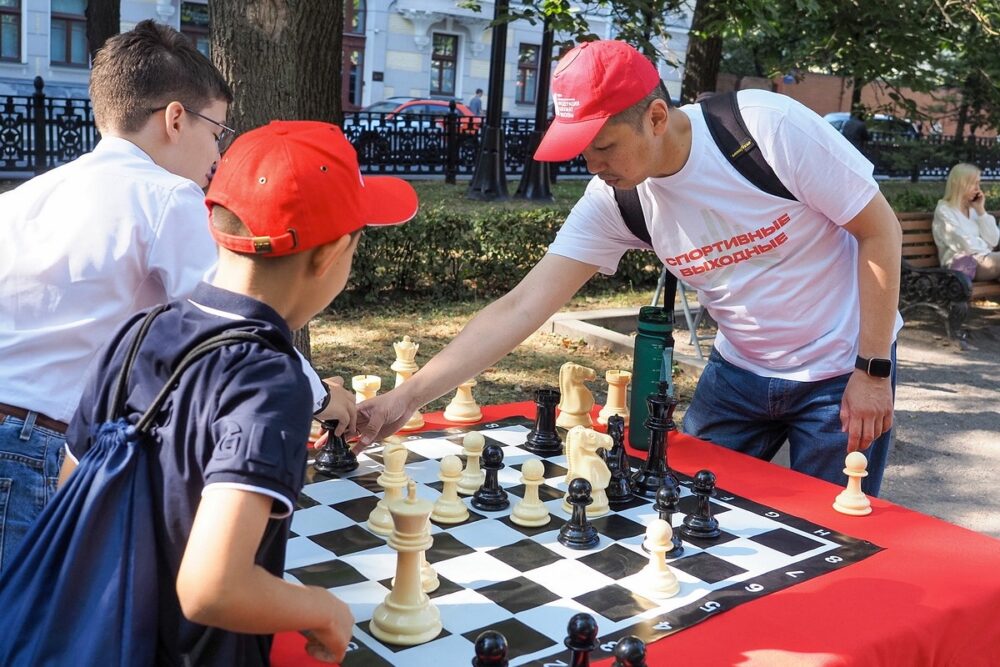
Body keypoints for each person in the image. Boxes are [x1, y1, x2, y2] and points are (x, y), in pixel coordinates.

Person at [358, 39, 902, 496]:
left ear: (657, 118)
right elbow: (522, 306)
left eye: (604, 147)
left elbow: (879, 231)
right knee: (683, 512)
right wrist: (406, 397)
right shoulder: (615, 198)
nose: (592, 166)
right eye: (582, 152)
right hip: (738, 373)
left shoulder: (766, 128)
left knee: (836, 539)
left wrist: (872, 371)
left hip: (841, 370)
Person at [56, 121, 418, 664]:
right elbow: (212, 589)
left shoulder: (138, 332)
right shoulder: (272, 382)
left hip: (101, 635)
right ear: (331, 254)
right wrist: (324, 609)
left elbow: (73, 499)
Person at [0, 20, 233, 571]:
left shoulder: (25, 196)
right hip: (38, 449)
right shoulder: (166, 195)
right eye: (216, 130)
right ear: (176, 118)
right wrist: (318, 397)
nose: (217, 155)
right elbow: (227, 318)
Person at [932, 163, 999, 282]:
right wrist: (985, 246)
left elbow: (993, 240)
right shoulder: (944, 210)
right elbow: (964, 244)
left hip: (982, 259)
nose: (978, 189)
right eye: (974, 183)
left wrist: (981, 211)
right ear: (960, 184)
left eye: (979, 183)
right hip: (961, 266)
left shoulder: (973, 209)